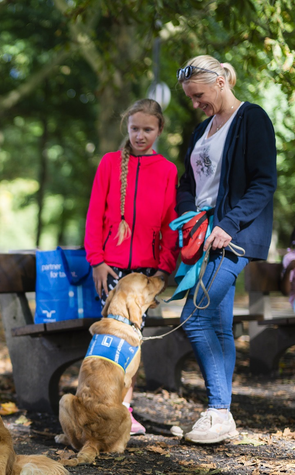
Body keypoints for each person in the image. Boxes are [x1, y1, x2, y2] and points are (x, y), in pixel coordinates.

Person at [175, 56, 276, 443]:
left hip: (232, 237)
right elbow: (189, 183)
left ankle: (218, 411)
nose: (196, 103)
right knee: (216, 324)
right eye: (191, 98)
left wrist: (226, 225)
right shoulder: (202, 129)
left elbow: (263, 184)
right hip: (202, 234)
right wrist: (190, 216)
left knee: (194, 317)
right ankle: (222, 414)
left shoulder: (252, 119)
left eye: (199, 95)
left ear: (219, 82)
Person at [84, 98, 179, 436]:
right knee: (109, 344)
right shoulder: (110, 163)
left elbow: (171, 224)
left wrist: (164, 269)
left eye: (148, 129)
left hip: (145, 274)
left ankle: (125, 410)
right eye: (135, 128)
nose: (140, 135)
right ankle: (96, 408)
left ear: (159, 130)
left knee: (132, 345)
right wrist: (96, 260)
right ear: (127, 127)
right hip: (109, 270)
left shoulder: (168, 170)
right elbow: (95, 214)